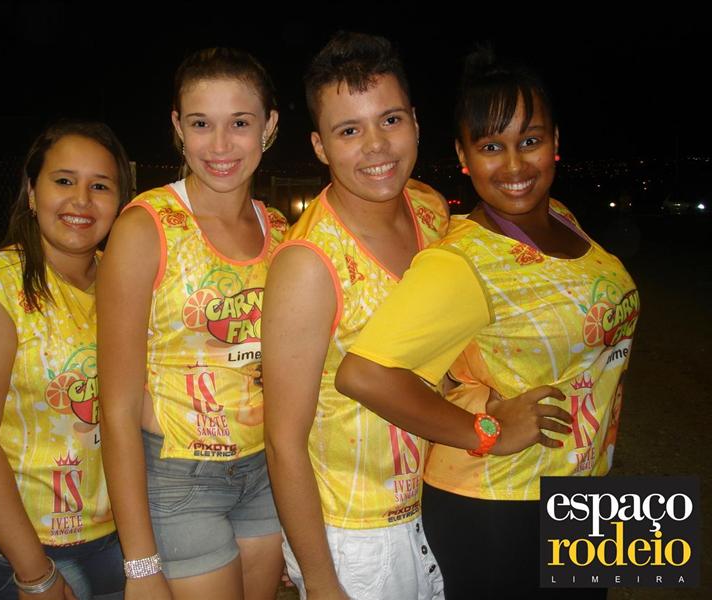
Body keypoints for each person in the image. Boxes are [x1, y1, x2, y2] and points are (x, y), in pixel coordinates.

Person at [336, 50, 639, 599]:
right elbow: (363, 374)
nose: (515, 166)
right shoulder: (461, 261)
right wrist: (486, 432)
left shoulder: (562, 216)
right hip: (502, 505)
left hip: (584, 490)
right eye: (491, 147)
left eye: (530, 140)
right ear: (464, 156)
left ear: (555, 142)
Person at [97, 48, 285, 600]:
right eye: (202, 124)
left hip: (266, 468)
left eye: (240, 123)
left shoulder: (280, 229)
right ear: (179, 128)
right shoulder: (145, 227)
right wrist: (140, 564)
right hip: (180, 476)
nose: (220, 146)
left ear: (269, 126)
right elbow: (116, 406)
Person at [0, 120, 132, 600]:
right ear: (31, 192)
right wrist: (34, 572)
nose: (81, 201)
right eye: (63, 181)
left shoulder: (124, 279)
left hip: (118, 533)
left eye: (100, 186)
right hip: (24, 545)